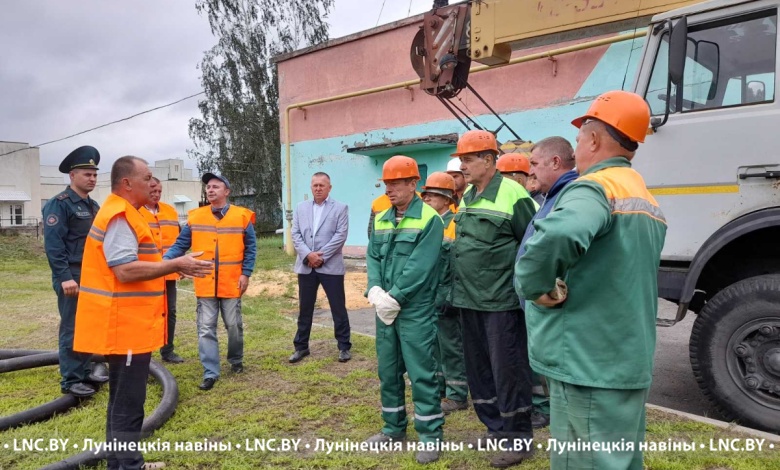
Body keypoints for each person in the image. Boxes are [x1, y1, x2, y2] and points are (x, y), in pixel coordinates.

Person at [515, 91, 667, 470]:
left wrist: (535, 287)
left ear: (595, 139)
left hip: (587, 361)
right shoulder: (643, 195)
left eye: (580, 138)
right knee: (621, 460)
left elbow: (555, 237)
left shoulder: (594, 188)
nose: (578, 147)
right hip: (625, 358)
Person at [73, 156, 213, 470]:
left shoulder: (125, 213)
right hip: (124, 327)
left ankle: (120, 462)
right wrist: (177, 264)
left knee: (122, 399)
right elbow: (123, 270)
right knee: (128, 402)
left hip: (127, 325)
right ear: (127, 183)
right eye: (147, 177)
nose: (152, 183)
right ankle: (128, 465)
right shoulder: (121, 215)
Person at [449, 129, 537, 468]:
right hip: (469, 299)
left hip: (500, 302)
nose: (463, 166)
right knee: (479, 371)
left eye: (469, 160)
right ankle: (495, 428)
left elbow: (532, 245)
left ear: (489, 160)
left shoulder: (514, 194)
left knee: (509, 372)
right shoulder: (469, 194)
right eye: (462, 160)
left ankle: (519, 438)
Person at [365, 155, 444, 465]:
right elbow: (372, 255)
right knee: (388, 371)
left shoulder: (429, 219)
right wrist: (374, 289)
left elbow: (420, 267)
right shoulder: (381, 217)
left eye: (396, 183)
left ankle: (430, 435)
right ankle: (392, 428)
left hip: (414, 310)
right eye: (387, 184)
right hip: (385, 307)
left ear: (414, 184)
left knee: (422, 374)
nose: (390, 189)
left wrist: (393, 298)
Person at [164, 172, 257, 391]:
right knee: (206, 328)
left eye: (216, 186)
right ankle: (210, 372)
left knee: (234, 325)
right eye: (208, 187)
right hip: (205, 282)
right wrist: (165, 262)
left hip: (232, 281)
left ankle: (236, 360)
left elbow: (251, 248)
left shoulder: (242, 216)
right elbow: (180, 245)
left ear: (227, 191)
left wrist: (246, 273)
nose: (210, 190)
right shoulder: (195, 217)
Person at [516, 136, 578, 430]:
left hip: (549, 308)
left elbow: (553, 251)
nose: (531, 172)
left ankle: (555, 415)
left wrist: (538, 291)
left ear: (555, 162)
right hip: (538, 304)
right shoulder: (553, 196)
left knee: (552, 372)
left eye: (535, 164)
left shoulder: (568, 197)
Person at [42, 145, 106, 398]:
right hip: (72, 275)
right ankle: (71, 379)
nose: (91, 178)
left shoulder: (93, 206)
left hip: (91, 275)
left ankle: (86, 369)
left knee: (89, 325)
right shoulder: (60, 205)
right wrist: (64, 277)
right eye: (86, 174)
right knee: (72, 326)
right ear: (72, 176)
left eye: (94, 174)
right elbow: (54, 246)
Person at [289, 172, 352, 363]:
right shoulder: (301, 208)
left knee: (338, 307)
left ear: (329, 188)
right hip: (306, 265)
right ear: (311, 187)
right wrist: (308, 255)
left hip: (330, 266)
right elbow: (296, 234)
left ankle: (343, 347)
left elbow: (340, 235)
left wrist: (320, 256)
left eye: (322, 185)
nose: (318, 188)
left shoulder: (340, 208)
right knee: (305, 308)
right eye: (315, 185)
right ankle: (301, 347)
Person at [420, 172, 469, 414]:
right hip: (431, 296)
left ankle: (457, 394)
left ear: (447, 198)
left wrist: (450, 295)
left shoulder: (455, 222)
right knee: (435, 345)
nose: (427, 199)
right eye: (426, 195)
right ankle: (440, 387)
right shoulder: (432, 223)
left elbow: (456, 264)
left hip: (447, 296)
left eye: (433, 196)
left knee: (451, 347)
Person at [139, 177, 184, 364]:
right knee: (147, 312)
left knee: (169, 311)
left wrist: (179, 264)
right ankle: (144, 351)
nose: (156, 194)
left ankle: (167, 349)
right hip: (145, 273)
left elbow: (180, 240)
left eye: (159, 191)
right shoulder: (135, 211)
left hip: (168, 272)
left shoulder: (170, 212)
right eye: (152, 191)